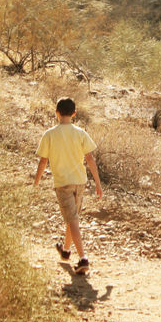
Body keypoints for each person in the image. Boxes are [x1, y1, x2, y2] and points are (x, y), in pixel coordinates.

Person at [34, 97, 102, 274]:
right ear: (74, 114)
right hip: (80, 182)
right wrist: (98, 183)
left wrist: (36, 182)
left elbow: (43, 161)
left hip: (63, 183)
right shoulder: (80, 133)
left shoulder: (50, 134)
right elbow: (90, 159)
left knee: (72, 219)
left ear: (56, 112)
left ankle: (83, 258)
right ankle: (65, 250)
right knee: (73, 217)